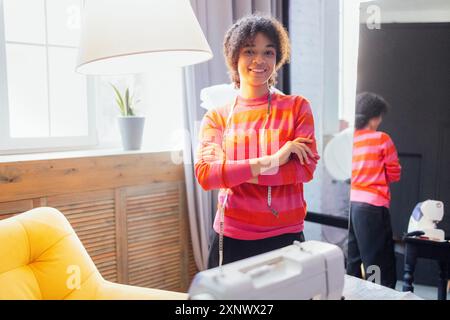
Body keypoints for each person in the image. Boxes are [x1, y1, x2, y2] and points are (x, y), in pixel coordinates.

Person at [194, 14, 320, 268]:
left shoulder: (297, 108)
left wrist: (233, 171)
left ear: (278, 57)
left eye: (269, 52)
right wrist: (273, 160)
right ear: (234, 57)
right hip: (231, 237)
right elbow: (208, 175)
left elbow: (304, 169)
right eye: (250, 51)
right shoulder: (217, 117)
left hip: (286, 237)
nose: (259, 60)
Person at [347, 92, 402, 288]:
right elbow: (395, 173)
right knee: (377, 260)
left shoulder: (350, 140)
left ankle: (352, 293)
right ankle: (377, 294)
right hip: (373, 207)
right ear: (375, 116)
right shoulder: (381, 139)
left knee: (353, 259)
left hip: (352, 205)